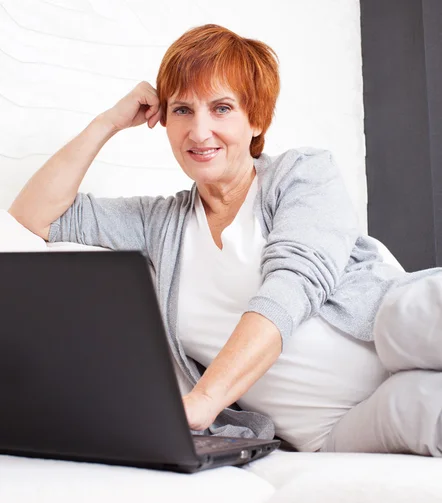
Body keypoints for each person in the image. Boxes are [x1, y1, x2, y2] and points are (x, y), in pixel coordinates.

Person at [9, 24, 442, 455]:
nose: (199, 132)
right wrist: (109, 122)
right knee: (424, 406)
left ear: (255, 119)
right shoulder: (159, 224)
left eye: (220, 108)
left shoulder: (302, 174)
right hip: (334, 431)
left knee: (421, 313)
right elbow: (35, 216)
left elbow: (292, 286)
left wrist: (205, 400)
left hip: (386, 330)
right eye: (181, 110)